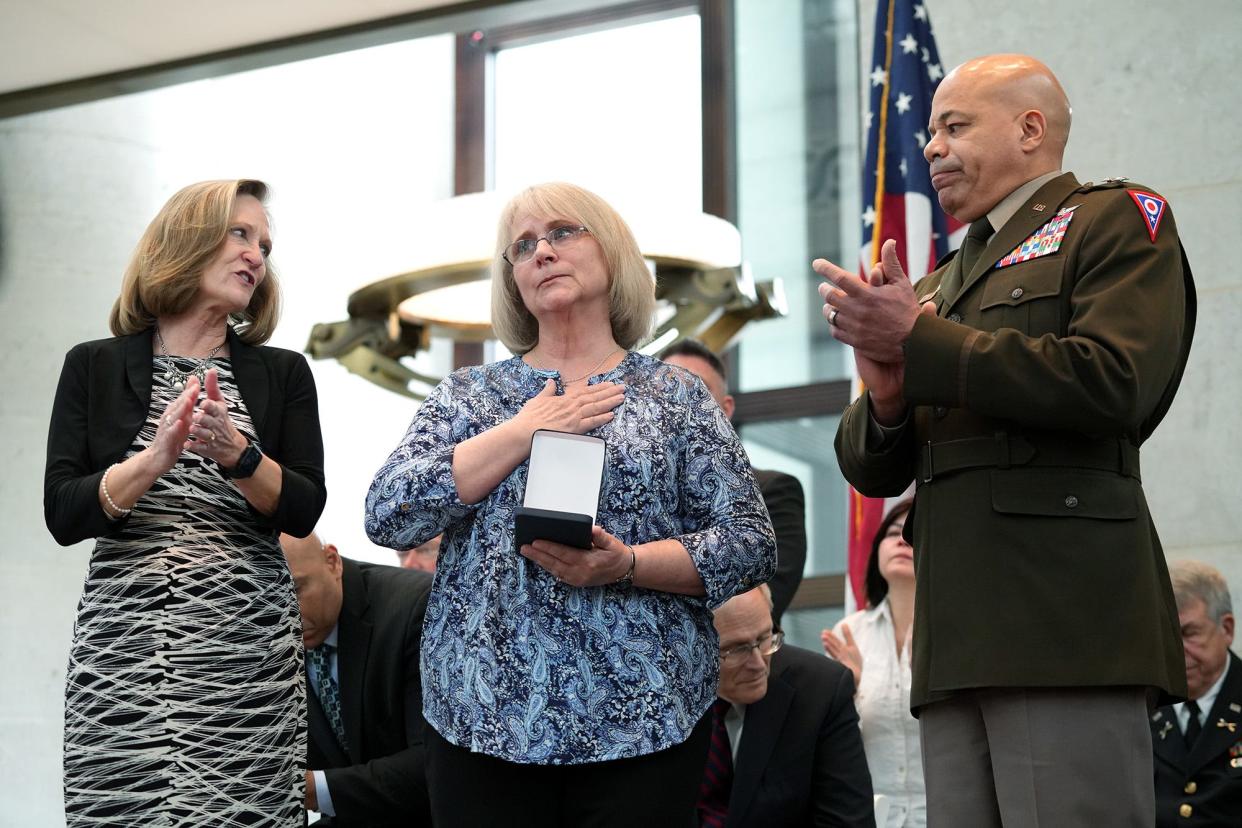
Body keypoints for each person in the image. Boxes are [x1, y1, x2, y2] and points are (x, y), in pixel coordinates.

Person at [815, 54, 1195, 824]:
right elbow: (869, 466)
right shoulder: (939, 280)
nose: (931, 149)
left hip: (1064, 622)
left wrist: (922, 347)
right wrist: (887, 393)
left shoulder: (1116, 218)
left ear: (1030, 129)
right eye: (929, 133)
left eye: (954, 126)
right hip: (954, 637)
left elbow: (1115, 381)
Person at [365, 181, 776, 827]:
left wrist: (628, 564)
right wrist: (522, 430)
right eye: (522, 246)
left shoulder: (677, 396)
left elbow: (749, 542)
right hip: (483, 720)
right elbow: (388, 514)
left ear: (610, 253)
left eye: (562, 233)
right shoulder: (469, 397)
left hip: (644, 716)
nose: (541, 252)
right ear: (513, 281)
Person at [44, 179, 327, 825]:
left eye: (264, 244)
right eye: (240, 234)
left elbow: (304, 507)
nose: (256, 255)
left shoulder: (282, 374)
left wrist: (239, 456)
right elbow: (64, 512)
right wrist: (152, 460)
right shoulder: (92, 365)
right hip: (124, 647)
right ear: (185, 240)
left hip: (244, 655)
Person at [280, 531, 433, 827]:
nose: (287, 612)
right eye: (270, 595)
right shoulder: (262, 635)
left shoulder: (415, 608)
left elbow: (431, 766)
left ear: (332, 562)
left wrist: (309, 789)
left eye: (296, 588)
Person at [700, 584, 874, 827]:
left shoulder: (820, 691)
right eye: (737, 649)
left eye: (764, 638)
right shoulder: (653, 698)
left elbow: (848, 821)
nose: (759, 663)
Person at [659, 338, 807, 624]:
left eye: (696, 389)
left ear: (725, 408)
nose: (678, 401)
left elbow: (771, 593)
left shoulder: (772, 490)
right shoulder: (634, 492)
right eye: (666, 389)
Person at [821, 499, 923, 828]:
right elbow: (830, 747)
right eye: (892, 533)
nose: (901, 541)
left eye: (913, 534)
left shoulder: (956, 632)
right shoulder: (850, 632)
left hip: (946, 811)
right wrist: (851, 690)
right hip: (870, 817)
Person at [1151, 561, 1241, 827]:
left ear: (1226, 629)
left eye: (1188, 634)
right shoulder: (1144, 706)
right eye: (1167, 637)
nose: (1177, 653)